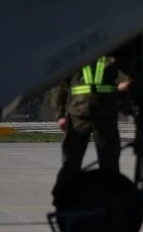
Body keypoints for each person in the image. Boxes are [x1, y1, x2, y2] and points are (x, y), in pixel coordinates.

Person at [50, 50, 135, 206]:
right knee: (71, 162)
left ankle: (111, 200)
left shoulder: (112, 53)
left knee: (109, 162)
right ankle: (62, 199)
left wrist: (125, 87)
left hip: (105, 115)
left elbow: (135, 72)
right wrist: (59, 115)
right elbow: (61, 85)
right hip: (79, 115)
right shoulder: (74, 55)